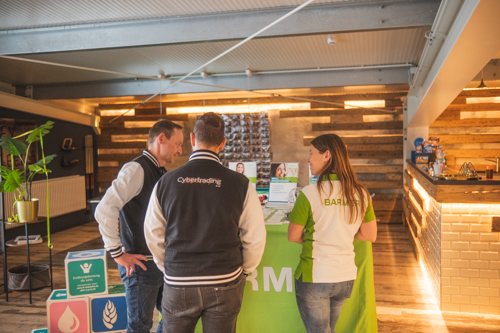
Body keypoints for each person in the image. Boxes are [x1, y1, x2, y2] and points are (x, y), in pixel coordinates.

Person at [144, 112, 266, 333]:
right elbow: (255, 237)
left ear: (192, 139)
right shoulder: (241, 184)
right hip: (225, 280)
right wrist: (244, 271)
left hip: (178, 280)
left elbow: (153, 235)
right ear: (222, 144)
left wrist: (169, 267)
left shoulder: (165, 183)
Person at [95, 119, 184, 333]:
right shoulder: (136, 169)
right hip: (141, 266)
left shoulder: (161, 172)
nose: (180, 151)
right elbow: (104, 209)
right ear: (161, 138)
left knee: (175, 319)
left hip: (161, 264)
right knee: (140, 327)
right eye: (178, 144)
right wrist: (117, 254)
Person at [287, 134, 377, 333]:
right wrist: (341, 234)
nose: (308, 159)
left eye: (311, 153)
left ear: (327, 155)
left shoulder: (309, 194)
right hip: (345, 278)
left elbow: (293, 236)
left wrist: (321, 237)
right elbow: (370, 235)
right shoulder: (361, 193)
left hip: (316, 277)